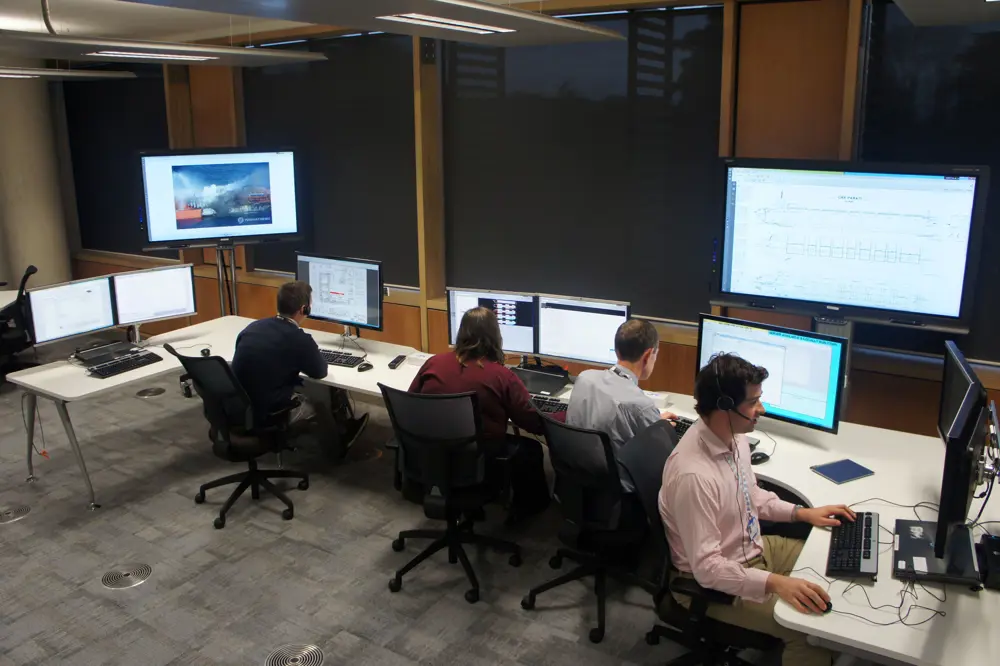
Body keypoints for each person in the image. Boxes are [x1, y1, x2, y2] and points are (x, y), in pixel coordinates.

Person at [658, 353, 855, 666]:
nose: (761, 410)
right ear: (725, 406)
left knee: (829, 559)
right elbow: (708, 569)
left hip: (754, 549)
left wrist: (802, 514)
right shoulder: (694, 476)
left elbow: (751, 497)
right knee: (810, 634)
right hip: (710, 584)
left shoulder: (732, 439)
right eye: (753, 402)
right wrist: (776, 583)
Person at [409, 307, 550, 521]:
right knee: (530, 448)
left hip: (431, 454)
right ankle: (526, 514)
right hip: (479, 461)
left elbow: (412, 401)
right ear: (495, 337)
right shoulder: (501, 375)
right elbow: (531, 421)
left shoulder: (434, 363)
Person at [231, 280, 368, 457]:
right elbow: (319, 372)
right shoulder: (298, 339)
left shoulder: (253, 328)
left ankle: (341, 429)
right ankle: (337, 450)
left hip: (239, 407)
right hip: (268, 412)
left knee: (303, 385)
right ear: (305, 309)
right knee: (319, 399)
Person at [566, 318, 677, 449]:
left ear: (617, 350)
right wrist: (663, 429)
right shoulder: (641, 406)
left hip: (573, 465)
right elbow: (663, 451)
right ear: (647, 356)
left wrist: (655, 421)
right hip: (615, 469)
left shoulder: (584, 378)